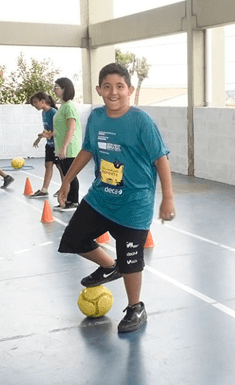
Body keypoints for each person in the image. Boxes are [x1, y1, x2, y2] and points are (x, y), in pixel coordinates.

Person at [57, 63, 175, 333]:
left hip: (135, 203)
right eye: (107, 86)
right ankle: (110, 266)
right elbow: (87, 150)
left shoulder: (141, 121)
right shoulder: (97, 117)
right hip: (101, 198)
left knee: (131, 260)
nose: (113, 92)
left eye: (120, 86)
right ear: (99, 90)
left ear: (129, 90)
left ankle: (136, 307)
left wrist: (167, 197)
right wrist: (66, 180)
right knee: (73, 239)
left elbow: (161, 158)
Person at [52, 77, 82, 211]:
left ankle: (74, 201)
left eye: (56, 87)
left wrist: (64, 147)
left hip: (70, 148)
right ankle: (67, 200)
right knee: (65, 174)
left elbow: (71, 128)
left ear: (64, 89)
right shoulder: (62, 107)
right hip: (61, 147)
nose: (54, 90)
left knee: (70, 175)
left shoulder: (69, 106)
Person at [29, 91, 61, 198]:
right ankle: (44, 189)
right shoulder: (44, 113)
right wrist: (39, 138)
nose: (34, 105)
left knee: (60, 167)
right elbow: (47, 129)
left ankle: (64, 188)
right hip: (49, 144)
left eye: (35, 102)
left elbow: (59, 129)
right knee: (48, 165)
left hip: (57, 144)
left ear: (42, 101)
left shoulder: (54, 112)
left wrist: (49, 135)